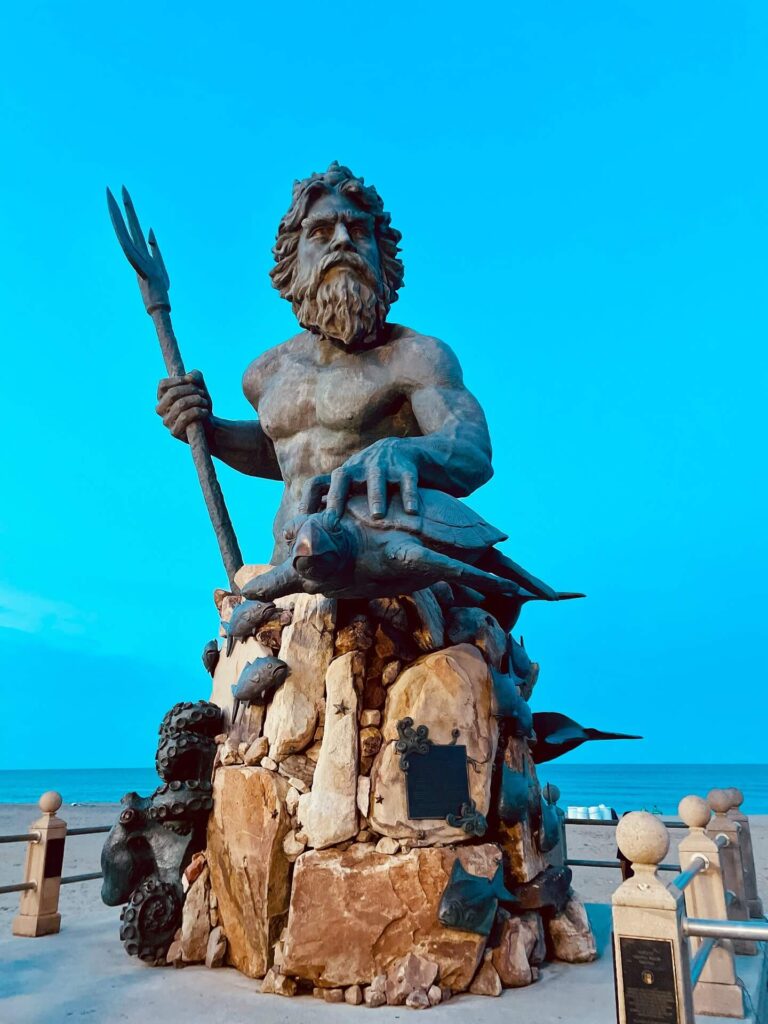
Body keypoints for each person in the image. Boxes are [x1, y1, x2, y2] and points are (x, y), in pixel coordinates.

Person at [155, 163, 493, 562]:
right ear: (293, 260)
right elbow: (280, 452)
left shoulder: (415, 357)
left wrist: (405, 452)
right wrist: (207, 429)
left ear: (382, 257)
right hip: (292, 567)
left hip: (387, 568)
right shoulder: (266, 373)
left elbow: (470, 451)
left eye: (359, 231)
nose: (343, 242)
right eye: (321, 232)